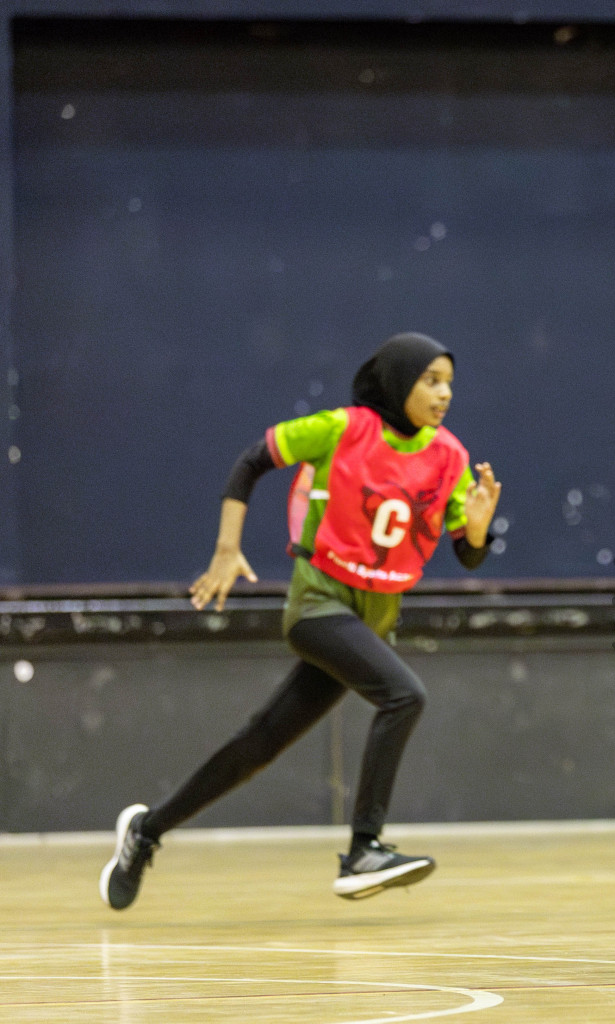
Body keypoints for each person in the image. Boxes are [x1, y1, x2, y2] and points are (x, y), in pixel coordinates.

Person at [100, 333, 502, 910]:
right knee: (404, 696)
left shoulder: (451, 458)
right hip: (318, 607)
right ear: (398, 381)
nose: (444, 394)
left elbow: (468, 553)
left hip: (371, 622)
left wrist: (479, 528)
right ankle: (364, 848)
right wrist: (225, 548)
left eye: (449, 384)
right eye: (431, 381)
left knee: (260, 743)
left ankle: (147, 831)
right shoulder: (343, 428)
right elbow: (251, 462)